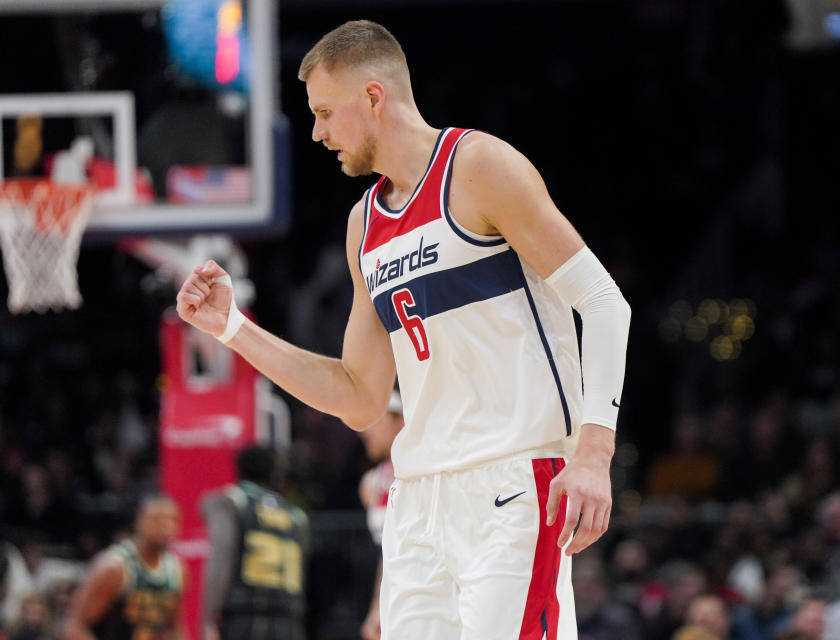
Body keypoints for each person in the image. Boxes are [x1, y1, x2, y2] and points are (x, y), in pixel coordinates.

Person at [176, 19, 631, 639]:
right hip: (417, 500)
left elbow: (604, 302)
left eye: (326, 112)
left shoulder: (478, 166)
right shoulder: (364, 224)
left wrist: (594, 455)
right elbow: (359, 397)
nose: (317, 132)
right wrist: (231, 327)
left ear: (373, 97)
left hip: (516, 483)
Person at [202, 445, 309, 640]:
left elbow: (222, 557)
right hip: (289, 620)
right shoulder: (295, 515)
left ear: (238, 469)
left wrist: (208, 617)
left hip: (244, 618)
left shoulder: (230, 501)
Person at [62, 494, 185, 640]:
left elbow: (173, 627)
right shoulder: (114, 567)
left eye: (172, 519)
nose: (166, 526)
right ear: (139, 520)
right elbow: (72, 627)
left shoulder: (176, 569)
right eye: (157, 519)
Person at [356, 390, 404, 640]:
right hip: (397, 598)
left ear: (401, 419)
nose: (365, 432)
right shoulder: (370, 484)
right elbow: (385, 556)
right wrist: (377, 609)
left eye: (374, 421)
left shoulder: (428, 472)